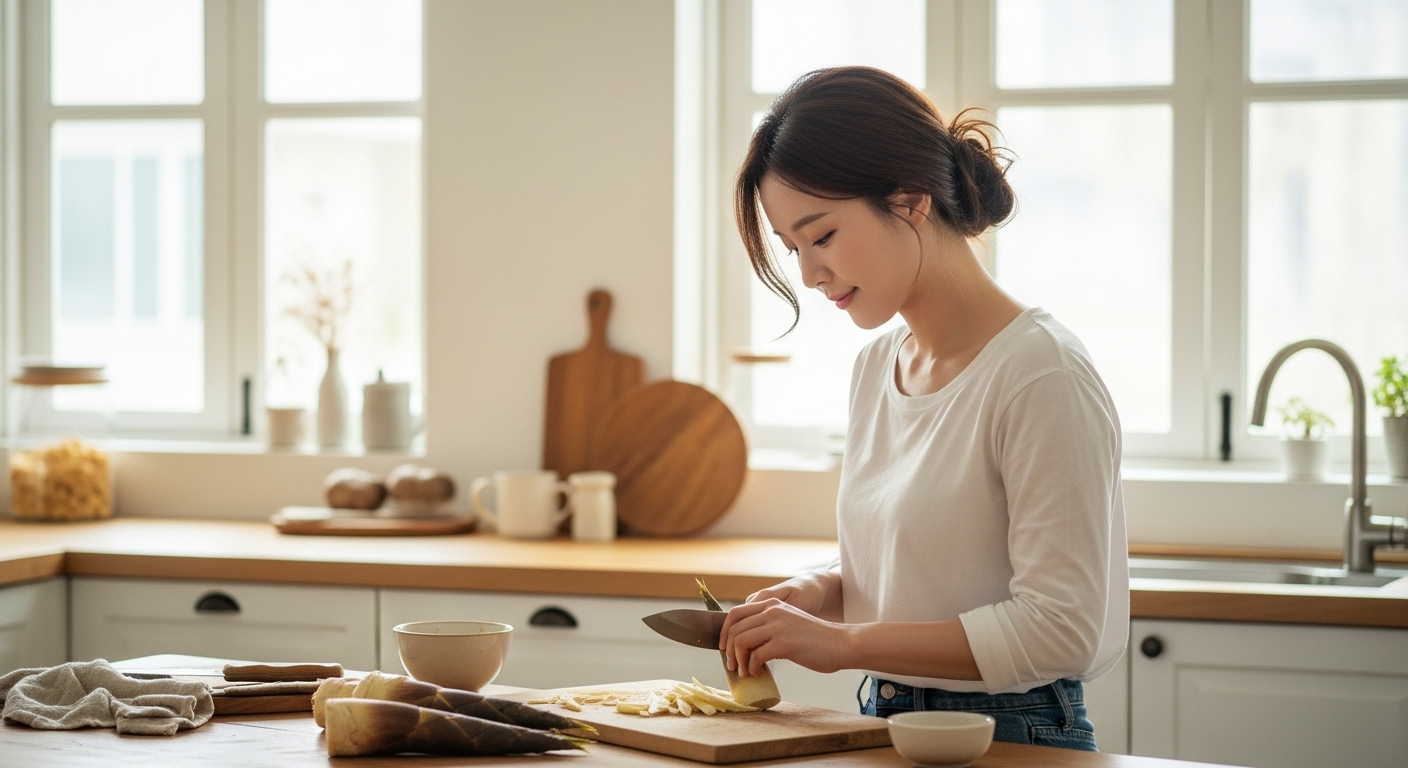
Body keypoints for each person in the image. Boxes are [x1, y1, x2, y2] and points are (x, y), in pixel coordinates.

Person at [719, 66, 1129, 752]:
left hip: (1013, 730)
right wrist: (819, 592)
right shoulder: (878, 368)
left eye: (822, 236)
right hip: (883, 718)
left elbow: (1062, 626)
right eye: (795, 249)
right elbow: (925, 572)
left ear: (910, 201)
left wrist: (844, 642)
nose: (811, 275)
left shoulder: (1040, 372)